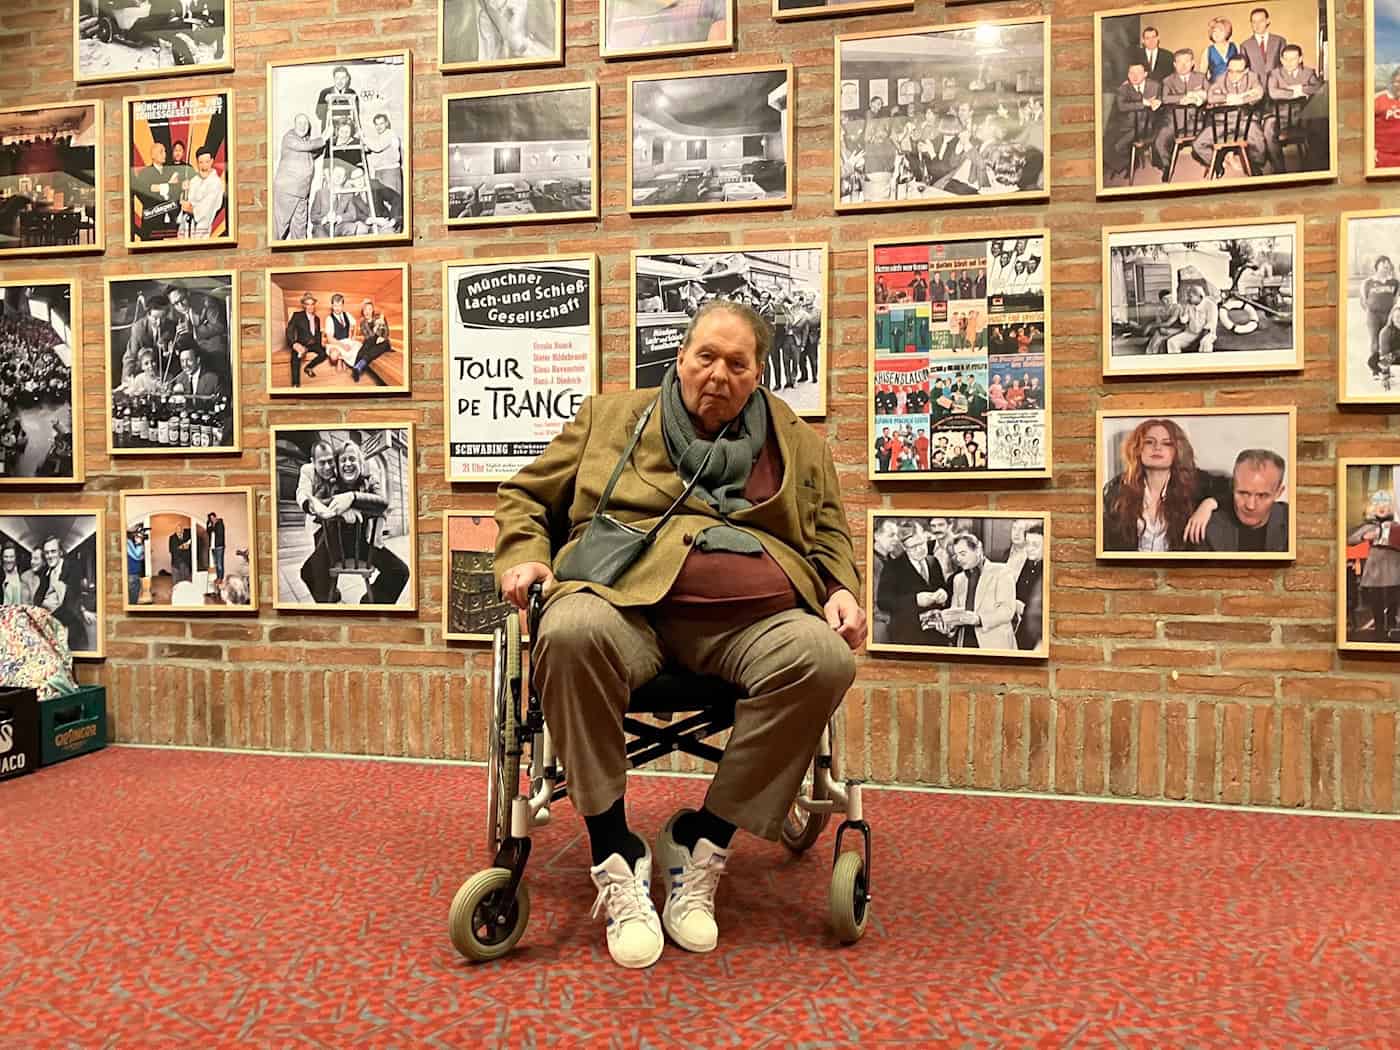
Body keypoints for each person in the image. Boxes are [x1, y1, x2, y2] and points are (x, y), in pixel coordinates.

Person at [494, 299, 863, 970]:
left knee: (823, 658)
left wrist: (841, 589)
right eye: (705, 357)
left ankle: (702, 840)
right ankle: (614, 849)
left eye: (737, 364)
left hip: (752, 623)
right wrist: (525, 556)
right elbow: (525, 497)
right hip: (626, 612)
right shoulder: (609, 418)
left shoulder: (798, 442)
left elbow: (830, 530)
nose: (718, 374)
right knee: (568, 629)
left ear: (759, 373)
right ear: (681, 357)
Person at [1101, 418, 1228, 553]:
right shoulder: (1117, 489)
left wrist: (1208, 504)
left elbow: (1230, 489)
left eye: (1167, 443)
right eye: (1149, 442)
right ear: (1137, 449)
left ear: (1178, 450)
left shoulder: (1194, 482)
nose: (1157, 447)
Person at [334, 441, 411, 605]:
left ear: (360, 463)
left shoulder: (369, 481)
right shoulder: (332, 483)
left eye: (352, 459)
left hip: (364, 545)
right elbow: (317, 502)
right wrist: (339, 509)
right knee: (310, 572)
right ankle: (331, 597)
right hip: (336, 547)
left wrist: (352, 498)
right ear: (337, 465)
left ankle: (370, 603)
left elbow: (383, 502)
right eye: (343, 460)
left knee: (400, 572)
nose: (348, 464)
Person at [874, 518, 949, 647]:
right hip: (908, 636)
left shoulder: (933, 561)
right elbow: (884, 601)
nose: (919, 549)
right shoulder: (892, 567)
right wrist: (915, 600)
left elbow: (943, 587)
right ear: (904, 547)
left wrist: (944, 594)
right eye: (913, 547)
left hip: (936, 634)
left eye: (921, 543)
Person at [1197, 449, 1289, 553]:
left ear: (1278, 492)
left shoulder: (1291, 522)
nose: (1250, 506)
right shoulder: (1208, 529)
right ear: (1232, 486)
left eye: (1262, 496)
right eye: (1243, 493)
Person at [941, 531, 1016, 650]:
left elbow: (1007, 611)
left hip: (995, 643)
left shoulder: (1002, 572)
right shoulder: (958, 579)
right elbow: (956, 611)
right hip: (965, 642)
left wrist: (979, 619)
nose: (959, 559)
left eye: (963, 554)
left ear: (978, 550)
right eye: (956, 555)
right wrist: (949, 625)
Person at [1194, 54, 1267, 174]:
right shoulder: (1221, 78)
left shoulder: (1253, 77)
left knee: (1258, 139)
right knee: (1198, 144)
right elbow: (1211, 97)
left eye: (1238, 72)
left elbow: (1259, 93)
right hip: (1222, 122)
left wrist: (1241, 99)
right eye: (1230, 71)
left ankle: (1255, 165)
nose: (1233, 75)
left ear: (1246, 70)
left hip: (1245, 121)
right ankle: (1216, 163)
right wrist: (1228, 98)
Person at [1350, 489, 1400, 641]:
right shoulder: (1369, 526)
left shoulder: (1396, 525)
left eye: (1385, 503)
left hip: (1393, 567)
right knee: (1376, 601)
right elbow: (1350, 540)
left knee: (1393, 599)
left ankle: (1391, 626)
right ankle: (1379, 629)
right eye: (1378, 503)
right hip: (1375, 569)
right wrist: (1365, 536)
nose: (1382, 507)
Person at [1263, 44, 1321, 171]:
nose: (1289, 63)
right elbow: (1273, 93)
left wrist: (1300, 88)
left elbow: (1317, 87)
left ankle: (1311, 168)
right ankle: (1279, 169)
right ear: (1281, 60)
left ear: (1300, 59)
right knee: (1268, 127)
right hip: (1279, 117)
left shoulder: (1308, 72)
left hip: (1302, 117)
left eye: (1293, 59)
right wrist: (1296, 92)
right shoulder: (1274, 74)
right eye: (1286, 59)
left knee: (1320, 124)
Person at [272, 114, 325, 241]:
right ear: (294, 125)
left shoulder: (305, 140)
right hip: (287, 191)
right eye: (300, 123)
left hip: (302, 192)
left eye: (305, 123)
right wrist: (323, 138)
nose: (303, 126)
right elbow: (305, 147)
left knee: (300, 229)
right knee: (278, 227)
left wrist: (324, 143)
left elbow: (311, 153)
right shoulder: (289, 137)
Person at [1155, 49, 1210, 169]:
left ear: (1192, 63)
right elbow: (1165, 98)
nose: (1183, 65)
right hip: (1175, 121)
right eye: (1179, 62)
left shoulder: (1201, 77)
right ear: (1174, 64)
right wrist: (1185, 97)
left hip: (1198, 120)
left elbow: (1210, 94)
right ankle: (1166, 166)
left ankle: (1214, 162)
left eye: (1187, 61)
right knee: (1160, 140)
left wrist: (1200, 97)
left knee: (1214, 132)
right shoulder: (1168, 80)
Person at [1107, 63, 1162, 174]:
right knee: (1106, 143)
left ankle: (1128, 162)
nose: (1135, 76)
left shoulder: (1154, 86)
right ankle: (1128, 162)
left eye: (1138, 73)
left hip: (1148, 126)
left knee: (1118, 146)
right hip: (1128, 125)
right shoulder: (1123, 88)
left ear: (1145, 74)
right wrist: (1144, 103)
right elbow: (1122, 107)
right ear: (1128, 75)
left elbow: (1156, 107)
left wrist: (1154, 103)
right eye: (1131, 73)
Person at [1007, 521, 1044, 651]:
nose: (1029, 548)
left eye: (1036, 545)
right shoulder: (1029, 562)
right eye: (1027, 544)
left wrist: (1024, 609)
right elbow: (1018, 591)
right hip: (1022, 626)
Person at [133, 140, 180, 240]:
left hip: (169, 223)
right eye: (161, 152)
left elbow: (175, 192)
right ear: (153, 156)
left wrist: (158, 188)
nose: (164, 154)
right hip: (152, 223)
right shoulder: (145, 173)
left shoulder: (170, 172)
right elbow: (145, 195)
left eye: (165, 151)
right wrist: (168, 186)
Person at [363, 113, 403, 228]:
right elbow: (373, 148)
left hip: (390, 171)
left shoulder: (389, 134)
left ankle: (395, 228)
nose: (379, 126)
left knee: (393, 200)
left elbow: (377, 147)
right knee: (380, 201)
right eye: (376, 124)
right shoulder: (381, 137)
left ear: (387, 123)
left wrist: (362, 137)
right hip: (380, 171)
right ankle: (386, 226)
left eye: (381, 123)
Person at [1363, 256, 1400, 380]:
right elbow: (1364, 300)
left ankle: (1386, 370)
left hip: (1388, 314)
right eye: (1383, 263)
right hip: (1373, 315)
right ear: (1377, 265)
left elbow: (1395, 299)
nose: (1386, 265)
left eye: (1388, 263)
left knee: (1386, 341)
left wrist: (1392, 314)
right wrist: (1371, 312)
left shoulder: (1394, 282)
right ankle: (1375, 370)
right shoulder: (1368, 282)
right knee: (1374, 341)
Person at [181, 146, 224, 238]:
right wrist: (184, 191)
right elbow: (185, 203)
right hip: (187, 228)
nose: (204, 166)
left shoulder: (215, 182)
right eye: (201, 162)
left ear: (212, 161)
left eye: (207, 162)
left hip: (203, 229)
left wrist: (191, 209)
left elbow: (207, 208)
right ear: (197, 163)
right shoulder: (193, 181)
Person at [286, 292, 328, 386]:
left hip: (314, 344)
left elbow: (317, 333)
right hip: (301, 343)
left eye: (312, 304)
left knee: (325, 353)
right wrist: (294, 344)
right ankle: (295, 385)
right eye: (308, 304)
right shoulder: (297, 315)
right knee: (295, 358)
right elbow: (289, 330)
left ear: (314, 305)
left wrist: (322, 343)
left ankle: (308, 367)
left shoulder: (317, 319)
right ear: (304, 305)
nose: (310, 306)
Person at [1165, 284, 1218, 354]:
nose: (1188, 298)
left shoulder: (1210, 305)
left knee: (1204, 344)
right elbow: (1183, 321)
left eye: (1190, 296)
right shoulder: (1190, 304)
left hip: (1207, 334)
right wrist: (1185, 310)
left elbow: (1210, 324)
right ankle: (1177, 360)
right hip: (1191, 334)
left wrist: (1197, 340)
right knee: (1172, 342)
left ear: (1199, 296)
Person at [351, 299, 393, 383]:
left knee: (375, 344)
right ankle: (356, 368)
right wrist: (375, 329)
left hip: (383, 343)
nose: (367, 311)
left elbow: (386, 331)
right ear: (363, 311)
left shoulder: (379, 317)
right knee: (367, 343)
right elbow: (368, 336)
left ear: (372, 310)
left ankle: (358, 366)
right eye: (365, 309)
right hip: (371, 342)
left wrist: (382, 337)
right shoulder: (363, 323)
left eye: (369, 309)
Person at [1240, 8, 1285, 78]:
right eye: (1254, 22)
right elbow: (1244, 70)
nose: (1257, 25)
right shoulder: (1245, 45)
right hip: (1255, 83)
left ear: (1267, 21)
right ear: (1251, 24)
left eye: (1261, 21)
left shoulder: (1279, 41)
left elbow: (1285, 66)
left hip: (1277, 82)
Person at [1373, 70, 1400, 170]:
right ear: (1392, 82)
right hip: (1383, 157)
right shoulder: (1379, 101)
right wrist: (1370, 150)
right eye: (1398, 82)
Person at [1204, 16, 1240, 80]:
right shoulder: (1208, 51)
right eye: (1214, 31)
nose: (1217, 34)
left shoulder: (1236, 46)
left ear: (1227, 32)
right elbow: (1202, 76)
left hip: (1234, 83)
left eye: (1220, 31)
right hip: (1215, 85)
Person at [126, 528, 145, 605]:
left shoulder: (130, 542)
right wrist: (139, 543)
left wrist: (138, 543)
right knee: (133, 601)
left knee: (134, 598)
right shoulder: (127, 542)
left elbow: (140, 556)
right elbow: (137, 555)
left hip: (134, 574)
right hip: (132, 574)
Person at [207, 511, 226, 584]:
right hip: (213, 547)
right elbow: (208, 531)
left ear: (215, 517)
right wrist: (208, 524)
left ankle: (220, 578)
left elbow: (219, 533)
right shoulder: (211, 525)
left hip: (219, 546)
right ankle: (218, 577)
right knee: (216, 563)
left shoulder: (220, 524)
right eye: (210, 518)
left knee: (220, 563)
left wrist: (212, 526)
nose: (212, 519)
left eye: (213, 518)